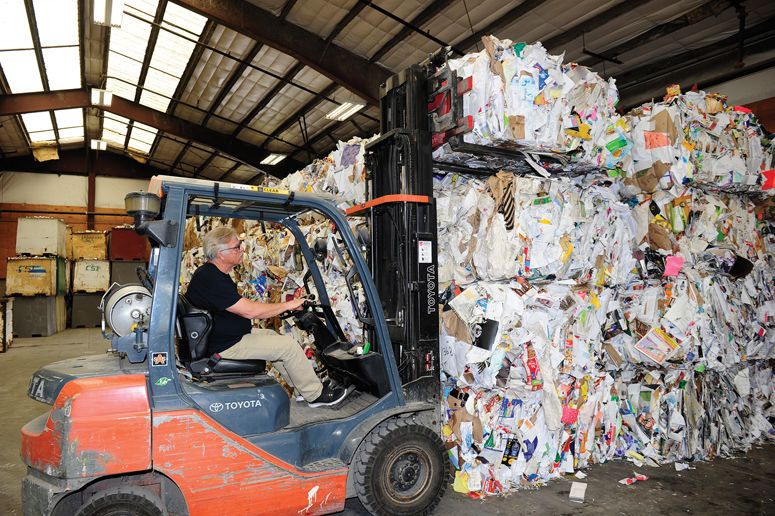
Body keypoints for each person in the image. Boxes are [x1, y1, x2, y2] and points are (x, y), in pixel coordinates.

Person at [185, 226, 348, 407]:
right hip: (224, 345)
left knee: (273, 337)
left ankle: (303, 389)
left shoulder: (212, 274)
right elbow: (250, 312)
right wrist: (289, 304)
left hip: (225, 338)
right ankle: (316, 395)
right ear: (220, 254)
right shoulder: (211, 279)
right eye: (236, 247)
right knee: (288, 347)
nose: (242, 250)